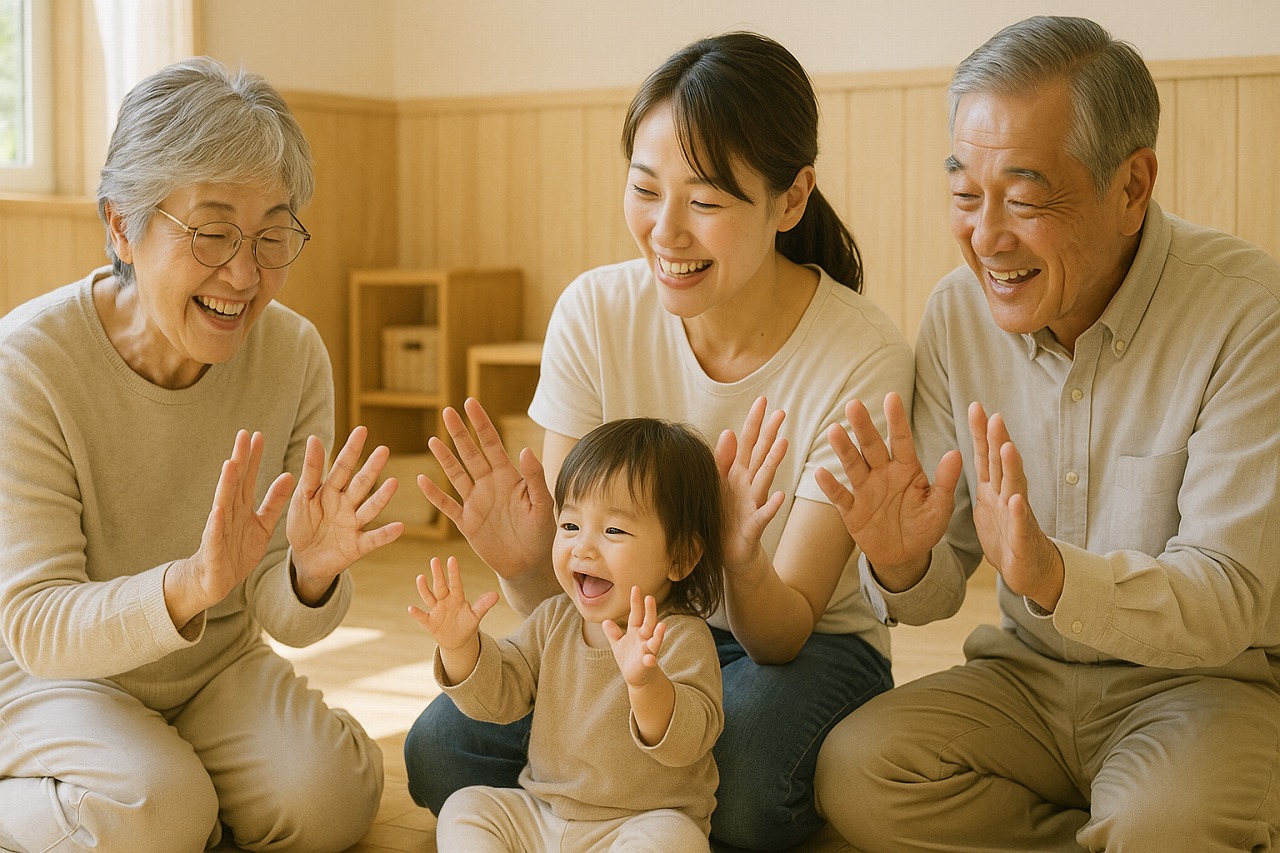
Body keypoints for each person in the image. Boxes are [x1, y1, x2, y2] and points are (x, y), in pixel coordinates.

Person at [403, 30, 915, 850]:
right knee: (441, 748)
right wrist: (524, 558)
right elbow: (570, 597)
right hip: (617, 631)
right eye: (646, 189)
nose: (666, 232)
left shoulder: (861, 352)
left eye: (707, 202)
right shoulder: (595, 312)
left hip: (791, 645)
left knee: (737, 792)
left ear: (791, 199)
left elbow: (781, 630)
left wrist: (739, 557)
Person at [811, 15, 1280, 851]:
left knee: (1164, 823)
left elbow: (1227, 598)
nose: (986, 238)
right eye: (964, 195)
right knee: (857, 769)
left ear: (1132, 186)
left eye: (1025, 200)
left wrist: (1056, 574)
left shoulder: (1245, 314)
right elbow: (937, 581)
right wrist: (900, 555)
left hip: (1202, 683)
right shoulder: (958, 314)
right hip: (1025, 679)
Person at [0, 57, 402, 852]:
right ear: (122, 224)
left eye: (272, 234)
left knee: (332, 797)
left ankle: (170, 786)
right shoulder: (29, 363)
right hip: (54, 681)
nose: (245, 274)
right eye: (213, 232)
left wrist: (311, 573)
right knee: (161, 812)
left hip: (213, 667)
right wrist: (189, 585)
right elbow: (36, 623)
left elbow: (278, 609)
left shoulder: (293, 355)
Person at [412, 417, 777, 851]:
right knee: (466, 807)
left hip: (639, 826)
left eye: (613, 530)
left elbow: (687, 743)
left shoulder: (681, 637)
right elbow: (500, 695)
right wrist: (460, 648)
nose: (583, 547)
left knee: (677, 840)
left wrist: (646, 684)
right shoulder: (553, 620)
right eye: (569, 526)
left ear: (681, 557)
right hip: (545, 816)